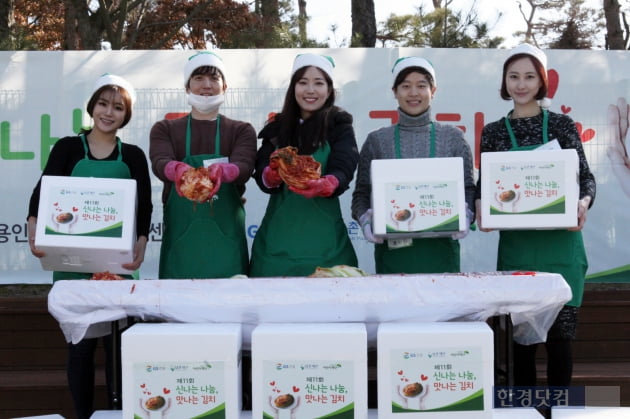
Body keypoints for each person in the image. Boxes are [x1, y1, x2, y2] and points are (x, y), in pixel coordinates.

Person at [26, 74, 153, 419]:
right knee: (80, 349)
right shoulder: (68, 147)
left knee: (119, 348)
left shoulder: (134, 156)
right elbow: (44, 191)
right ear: (92, 106)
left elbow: (144, 206)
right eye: (103, 104)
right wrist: (34, 224)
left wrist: (141, 240)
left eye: (117, 107)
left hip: (117, 266)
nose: (108, 113)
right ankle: (83, 415)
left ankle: (124, 413)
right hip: (72, 263)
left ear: (126, 115)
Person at [475, 44, 596, 389]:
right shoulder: (495, 132)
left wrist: (583, 203)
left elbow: (585, 178)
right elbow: (487, 186)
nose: (521, 84)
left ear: (542, 82)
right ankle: (524, 413)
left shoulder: (561, 125)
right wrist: (482, 204)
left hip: (562, 248)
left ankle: (557, 410)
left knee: (560, 340)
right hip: (519, 249)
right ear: (504, 82)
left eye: (529, 76)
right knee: (522, 344)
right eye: (514, 76)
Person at [351, 56, 475, 274]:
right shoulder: (377, 141)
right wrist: (365, 219)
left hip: (441, 254)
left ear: (433, 90)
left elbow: (468, 189)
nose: (413, 93)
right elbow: (361, 194)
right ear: (395, 92)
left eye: (421, 85)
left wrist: (468, 213)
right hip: (394, 256)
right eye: (405, 86)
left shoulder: (453, 138)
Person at [249, 53, 359, 277]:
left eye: (319, 83)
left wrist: (329, 182)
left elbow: (346, 161)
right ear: (293, 88)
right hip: (277, 244)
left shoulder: (339, 124)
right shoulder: (277, 128)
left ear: (329, 90)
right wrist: (269, 175)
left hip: (328, 244)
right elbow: (260, 165)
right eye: (303, 82)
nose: (310, 90)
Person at [150, 51, 257, 279]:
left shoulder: (240, 130)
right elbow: (160, 162)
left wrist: (225, 172)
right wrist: (177, 170)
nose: (206, 85)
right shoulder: (165, 129)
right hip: (181, 248)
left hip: (226, 248)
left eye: (214, 79)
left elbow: (245, 165)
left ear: (225, 87)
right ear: (187, 87)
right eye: (198, 78)